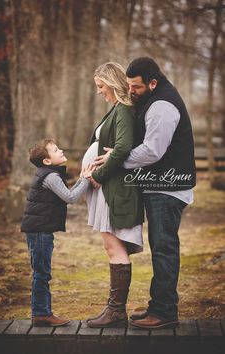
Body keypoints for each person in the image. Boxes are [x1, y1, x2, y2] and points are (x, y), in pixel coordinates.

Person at [94, 57, 196, 329]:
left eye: (136, 87)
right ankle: (157, 304)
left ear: (152, 83)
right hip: (160, 185)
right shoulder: (151, 98)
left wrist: (116, 159)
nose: (131, 91)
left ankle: (165, 312)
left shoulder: (162, 105)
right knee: (160, 247)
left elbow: (153, 150)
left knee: (164, 249)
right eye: (128, 86)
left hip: (168, 187)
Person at [82, 62, 144, 328]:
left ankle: (116, 311)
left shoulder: (125, 110)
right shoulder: (118, 109)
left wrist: (98, 175)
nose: (99, 92)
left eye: (100, 86)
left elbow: (122, 149)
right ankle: (114, 309)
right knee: (111, 246)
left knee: (114, 246)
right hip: (110, 187)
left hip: (114, 187)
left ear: (111, 82)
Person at [21, 138, 94, 327]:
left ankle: (41, 313)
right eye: (55, 150)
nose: (61, 150)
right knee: (41, 273)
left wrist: (82, 179)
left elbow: (67, 193)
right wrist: (85, 179)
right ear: (47, 160)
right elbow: (71, 197)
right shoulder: (51, 176)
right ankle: (41, 314)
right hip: (39, 231)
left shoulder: (48, 173)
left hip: (39, 230)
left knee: (41, 272)